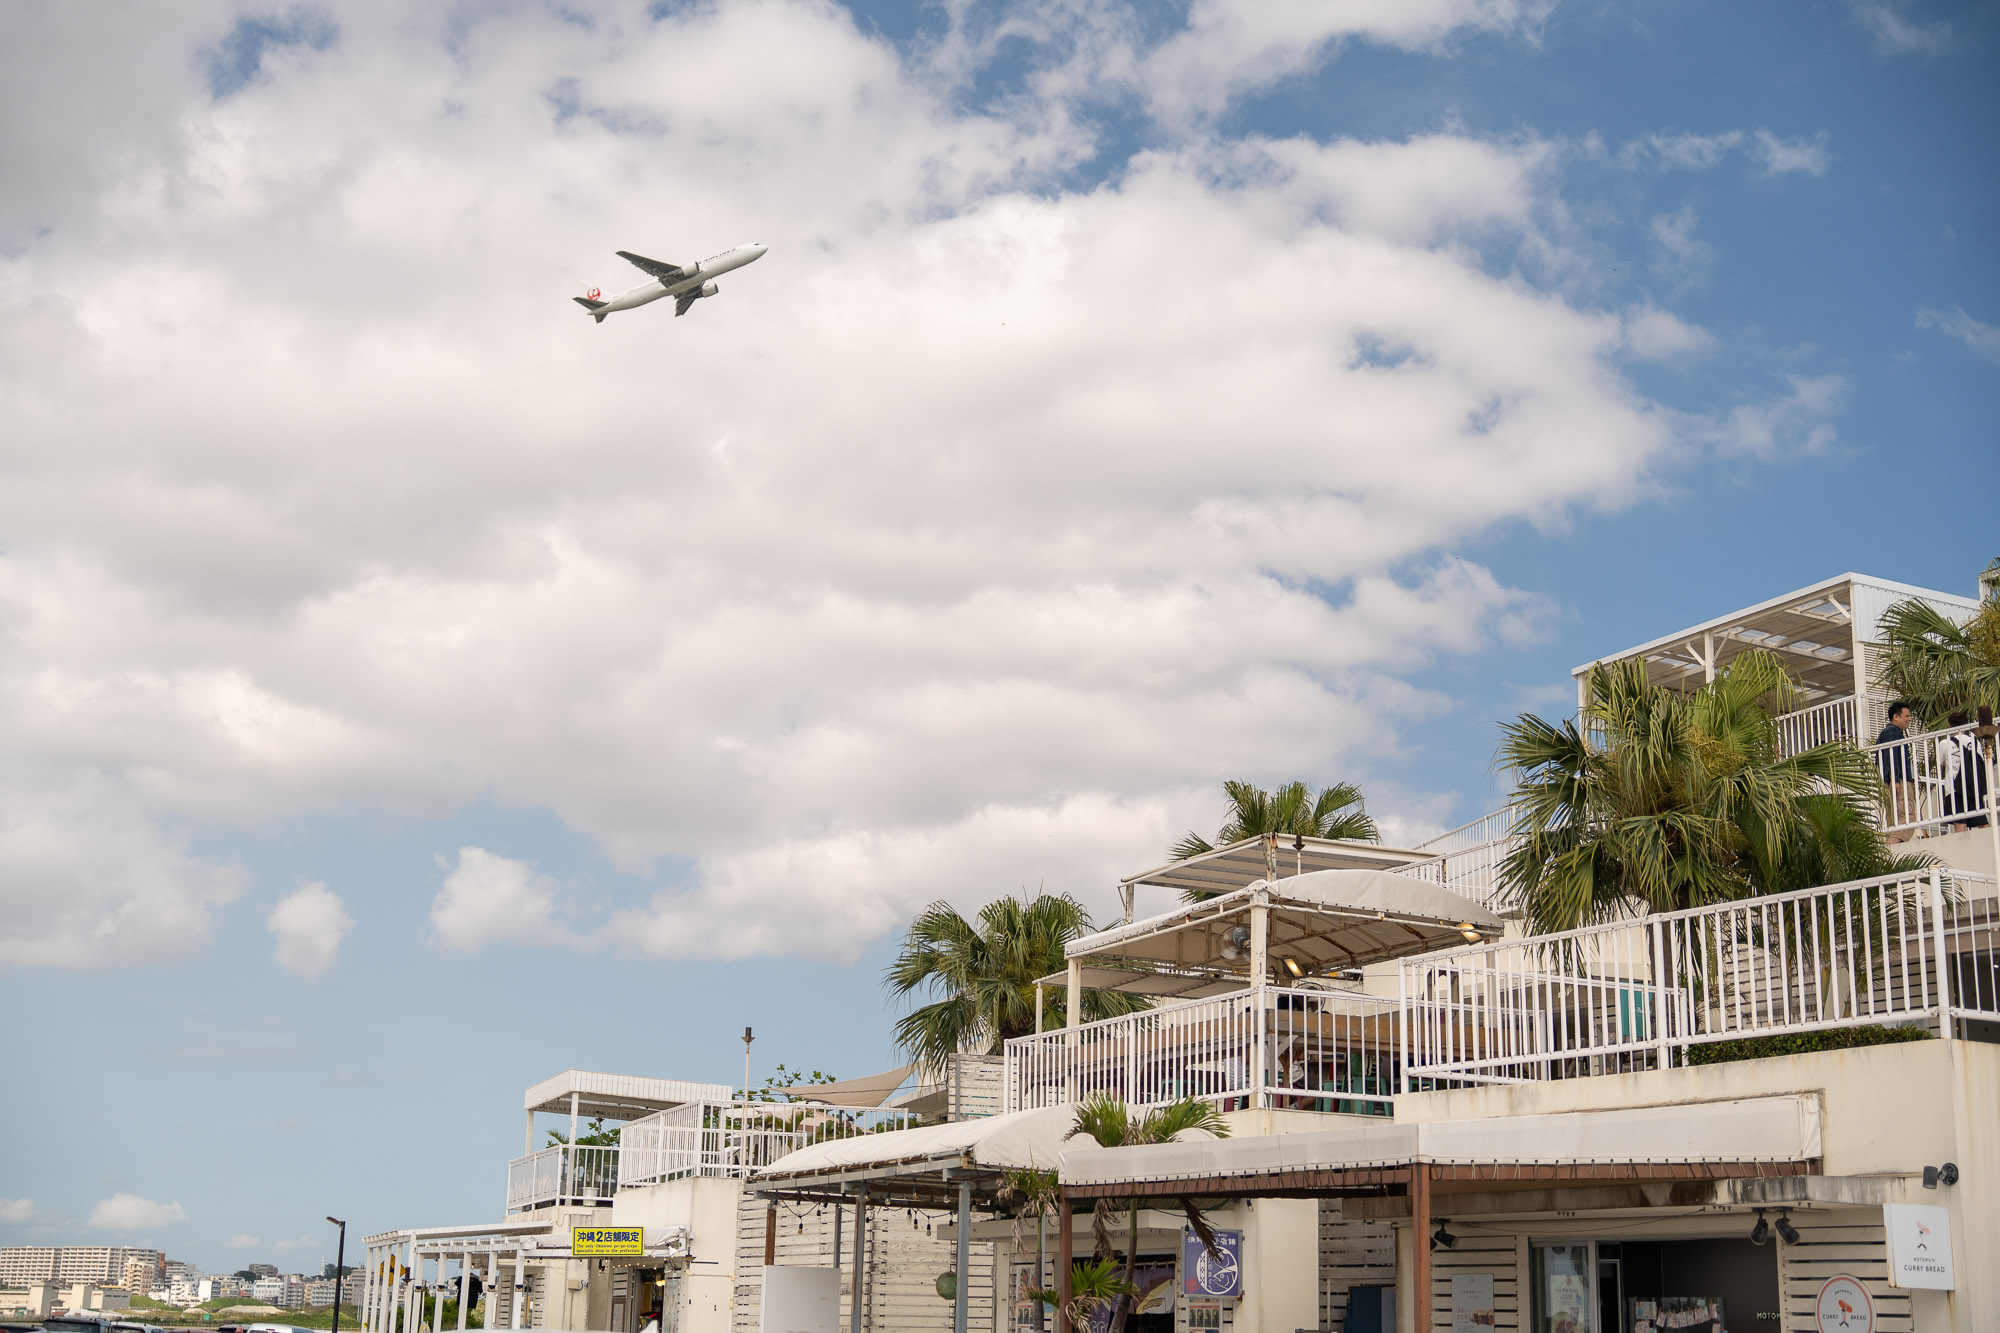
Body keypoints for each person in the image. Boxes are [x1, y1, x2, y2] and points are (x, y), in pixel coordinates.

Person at [1938, 711, 1990, 831]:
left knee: (1959, 821)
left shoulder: (1945, 743)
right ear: (1965, 724)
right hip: (1973, 787)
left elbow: (1941, 763)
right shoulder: (1974, 741)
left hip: (1955, 787)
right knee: (1981, 821)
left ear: (1949, 725)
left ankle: (1960, 849)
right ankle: (1992, 845)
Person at [1876, 701, 1918, 843]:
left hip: (1894, 780)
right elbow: (1891, 755)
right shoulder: (1892, 732)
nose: (1909, 719)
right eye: (1906, 716)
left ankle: (1891, 851)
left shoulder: (1889, 732)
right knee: (1906, 819)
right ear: (1896, 717)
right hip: (1897, 781)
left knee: (1895, 822)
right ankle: (1892, 848)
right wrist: (1895, 779)